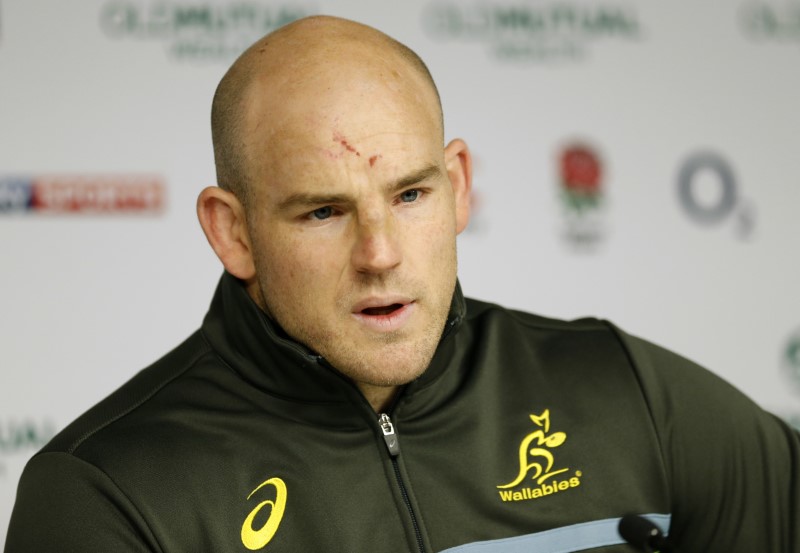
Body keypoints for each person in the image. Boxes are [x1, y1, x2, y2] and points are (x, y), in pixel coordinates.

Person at [4, 15, 799, 553]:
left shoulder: (622, 392)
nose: (380, 252)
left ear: (457, 184)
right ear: (232, 231)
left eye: (411, 194)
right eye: (323, 211)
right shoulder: (107, 492)